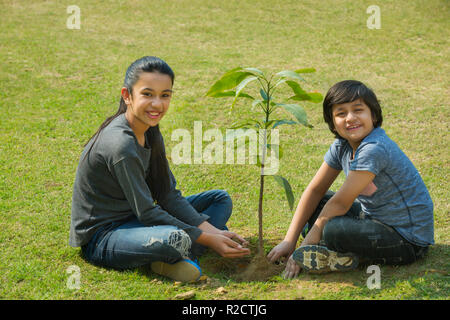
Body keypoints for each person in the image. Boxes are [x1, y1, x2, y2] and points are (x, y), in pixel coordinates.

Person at [69, 56, 250, 282]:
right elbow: (147, 211)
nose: (157, 104)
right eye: (147, 94)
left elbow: (167, 195)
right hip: (105, 236)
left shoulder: (150, 130)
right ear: (127, 95)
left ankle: (171, 258)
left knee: (219, 200)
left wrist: (214, 233)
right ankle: (178, 253)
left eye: (165, 95)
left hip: (139, 220)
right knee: (175, 238)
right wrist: (207, 238)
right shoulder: (121, 145)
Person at [267, 80, 434, 278]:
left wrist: (302, 249)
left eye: (358, 110)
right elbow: (315, 190)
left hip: (407, 239)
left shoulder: (374, 148)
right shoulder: (341, 146)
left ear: (373, 114)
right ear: (332, 122)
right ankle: (337, 252)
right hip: (374, 220)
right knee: (319, 204)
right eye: (341, 113)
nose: (350, 118)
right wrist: (289, 240)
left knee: (333, 230)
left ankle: (346, 254)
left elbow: (340, 204)